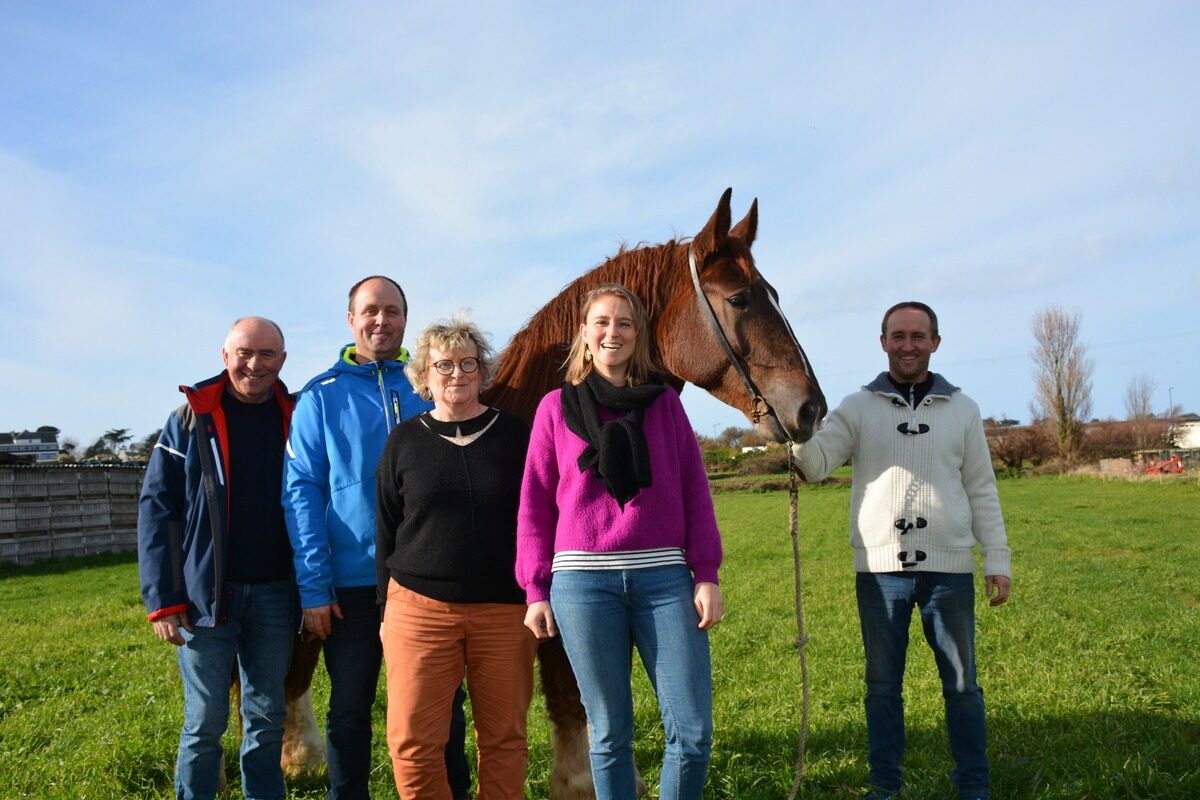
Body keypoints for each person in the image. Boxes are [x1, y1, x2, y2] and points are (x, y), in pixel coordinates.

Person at [789, 301, 1012, 800]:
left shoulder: (964, 409)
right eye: (897, 336)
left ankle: (974, 787)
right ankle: (885, 787)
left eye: (918, 336)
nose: (907, 345)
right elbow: (818, 462)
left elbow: (982, 487)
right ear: (883, 341)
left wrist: (996, 558)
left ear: (935, 341)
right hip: (880, 571)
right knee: (883, 687)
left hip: (949, 571)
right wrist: (794, 432)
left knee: (962, 686)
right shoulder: (858, 406)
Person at [516, 283, 724, 800]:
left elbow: (695, 492)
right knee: (607, 734)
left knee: (693, 733)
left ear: (638, 335)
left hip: (666, 580)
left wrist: (707, 574)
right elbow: (535, 504)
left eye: (625, 323)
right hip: (583, 585)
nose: (613, 332)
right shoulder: (554, 409)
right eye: (602, 322)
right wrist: (535, 589)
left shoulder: (666, 407)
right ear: (585, 334)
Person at [282, 276, 469, 800]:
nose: (381, 321)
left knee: (443, 709)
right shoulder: (321, 397)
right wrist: (316, 587)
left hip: (427, 582)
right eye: (370, 311)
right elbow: (302, 493)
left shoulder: (430, 387)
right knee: (349, 710)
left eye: (392, 311)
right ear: (351, 320)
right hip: (353, 586)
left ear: (406, 320)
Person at [376, 316, 537, 800]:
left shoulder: (516, 434)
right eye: (443, 364)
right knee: (412, 742)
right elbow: (386, 526)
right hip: (419, 610)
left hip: (505, 611)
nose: (457, 374)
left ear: (483, 371)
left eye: (468, 363)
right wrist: (386, 610)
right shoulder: (404, 440)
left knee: (504, 738)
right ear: (424, 374)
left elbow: (538, 516)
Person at [138, 316, 297, 800]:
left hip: (275, 595)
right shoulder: (191, 417)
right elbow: (157, 508)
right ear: (225, 356)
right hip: (207, 597)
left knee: (267, 717)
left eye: (267, 354)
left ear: (282, 361)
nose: (254, 364)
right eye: (244, 353)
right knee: (205, 721)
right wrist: (164, 600)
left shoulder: (297, 416)